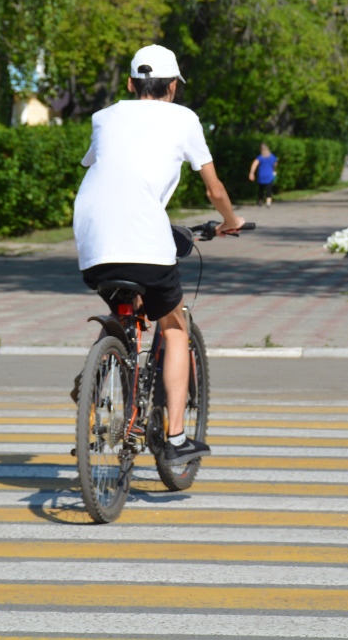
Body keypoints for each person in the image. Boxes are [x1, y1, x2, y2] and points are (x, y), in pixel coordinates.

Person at [73, 44, 244, 466]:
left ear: (130, 84)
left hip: (93, 240)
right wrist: (231, 220)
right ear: (172, 86)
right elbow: (214, 189)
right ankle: (177, 439)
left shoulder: (104, 117)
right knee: (174, 326)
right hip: (145, 241)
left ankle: (94, 385)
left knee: (120, 308)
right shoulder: (183, 118)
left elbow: (101, 167)